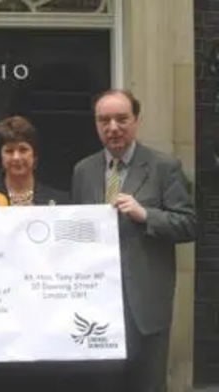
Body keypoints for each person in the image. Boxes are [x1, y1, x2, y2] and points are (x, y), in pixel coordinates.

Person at [71, 88, 196, 392]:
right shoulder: (83, 170)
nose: (113, 127)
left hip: (145, 306)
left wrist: (146, 215)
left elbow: (189, 224)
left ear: (137, 120)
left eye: (121, 119)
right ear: (97, 125)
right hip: (97, 307)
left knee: (148, 385)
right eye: (104, 120)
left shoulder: (164, 167)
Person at [0, 114, 68, 206]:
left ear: (34, 155)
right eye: (9, 151)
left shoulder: (61, 201)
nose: (16, 157)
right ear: (0, 157)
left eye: (23, 149)